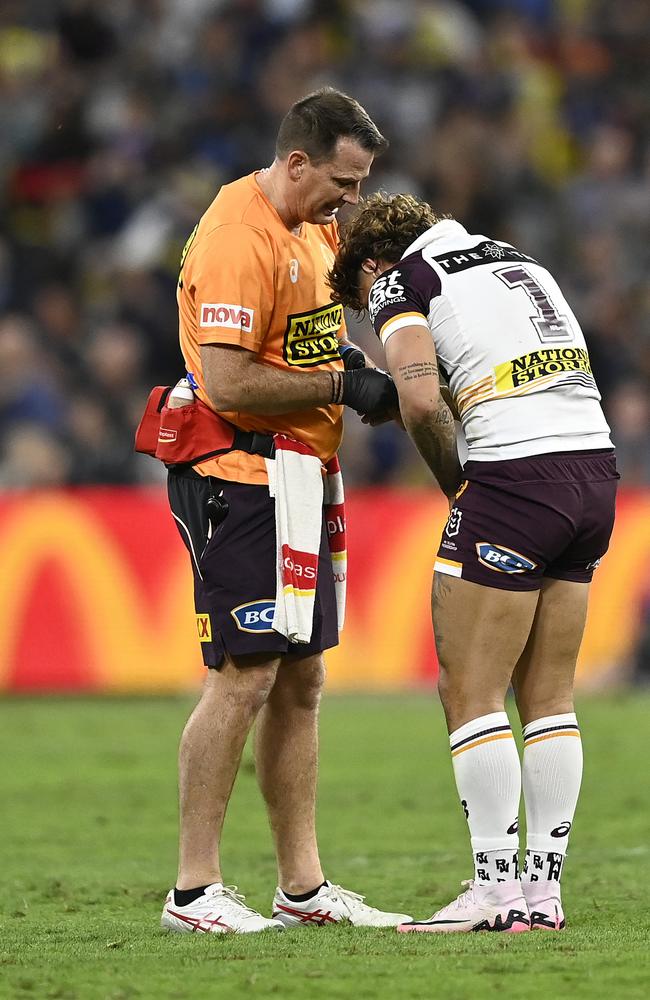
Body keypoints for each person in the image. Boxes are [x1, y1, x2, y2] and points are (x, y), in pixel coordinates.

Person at [328, 192, 618, 933]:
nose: (371, 312)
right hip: (592, 471)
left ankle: (492, 893)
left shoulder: (401, 281)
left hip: (514, 477)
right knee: (550, 697)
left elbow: (422, 402)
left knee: (471, 689)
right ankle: (542, 893)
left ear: (371, 265)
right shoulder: (517, 258)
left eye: (361, 300)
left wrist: (458, 485)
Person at [159, 90, 411, 934]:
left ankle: (301, 889)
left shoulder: (317, 226)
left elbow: (301, 336)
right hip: (236, 470)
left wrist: (355, 362)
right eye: (342, 180)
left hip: (302, 474)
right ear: (297, 161)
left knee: (302, 677)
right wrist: (345, 384)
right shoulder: (240, 236)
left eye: (362, 182)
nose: (352, 199)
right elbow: (229, 381)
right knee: (245, 675)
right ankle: (194, 891)